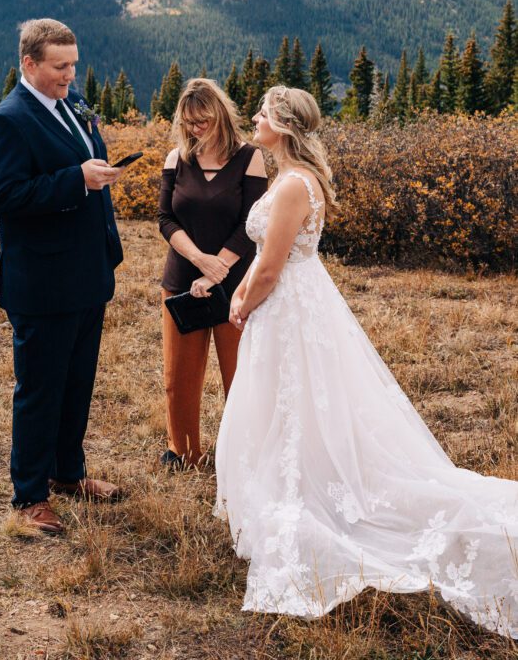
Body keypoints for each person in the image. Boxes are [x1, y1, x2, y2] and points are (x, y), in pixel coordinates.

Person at [215, 85, 518, 638]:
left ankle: (303, 493)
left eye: (260, 113)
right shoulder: (294, 179)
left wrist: (240, 301)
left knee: (294, 400)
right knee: (295, 400)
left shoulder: (290, 186)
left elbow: (270, 266)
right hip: (300, 304)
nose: (253, 120)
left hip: (286, 306)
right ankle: (298, 478)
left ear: (281, 126)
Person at [0, 18, 124, 535]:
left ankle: (68, 472)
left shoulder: (71, 106)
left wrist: (95, 174)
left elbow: (80, 169)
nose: (70, 75)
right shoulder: (7, 121)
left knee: (77, 383)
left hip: (86, 272)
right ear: (29, 65)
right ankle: (30, 495)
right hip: (41, 281)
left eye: (73, 65)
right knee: (40, 389)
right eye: (60, 67)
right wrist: (75, 180)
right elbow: (3, 197)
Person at [158, 78, 267, 469]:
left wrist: (218, 267)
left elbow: (251, 224)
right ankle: (183, 452)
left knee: (239, 375)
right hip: (182, 282)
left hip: (236, 283)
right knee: (179, 377)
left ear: (220, 115)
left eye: (202, 120)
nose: (195, 129)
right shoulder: (176, 158)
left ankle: (243, 455)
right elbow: (165, 218)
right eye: (188, 122)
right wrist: (200, 262)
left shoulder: (248, 158)